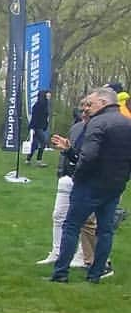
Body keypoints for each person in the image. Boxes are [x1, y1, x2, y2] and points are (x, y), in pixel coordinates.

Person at [50, 87, 131, 283]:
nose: (87, 108)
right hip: (115, 185)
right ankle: (95, 274)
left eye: (91, 104)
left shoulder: (98, 123)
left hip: (90, 184)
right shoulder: (127, 123)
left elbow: (89, 156)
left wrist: (78, 176)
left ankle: (61, 273)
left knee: (71, 226)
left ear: (103, 103)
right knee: (105, 230)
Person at [38, 96, 92, 267]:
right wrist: (61, 172)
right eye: (82, 108)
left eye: (87, 108)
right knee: (59, 215)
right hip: (68, 177)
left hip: (87, 179)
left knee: (86, 220)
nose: (84, 112)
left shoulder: (99, 128)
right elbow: (67, 150)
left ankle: (83, 255)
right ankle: (57, 251)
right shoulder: (76, 128)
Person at [27, 89, 51, 166]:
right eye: (48, 94)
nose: (49, 95)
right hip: (36, 127)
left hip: (40, 127)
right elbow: (34, 118)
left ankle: (28, 159)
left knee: (35, 144)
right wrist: (33, 128)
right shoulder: (38, 105)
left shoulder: (45, 104)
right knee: (43, 142)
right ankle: (39, 160)